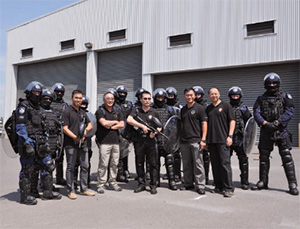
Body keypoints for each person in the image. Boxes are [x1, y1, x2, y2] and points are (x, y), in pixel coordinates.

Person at [251, 73, 298, 195]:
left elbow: (290, 111)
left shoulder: (285, 96)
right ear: (266, 85)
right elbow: (256, 112)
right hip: (266, 130)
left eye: (274, 83)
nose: (272, 85)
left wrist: (278, 122)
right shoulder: (261, 98)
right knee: (263, 157)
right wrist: (265, 123)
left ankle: (292, 184)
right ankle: (263, 181)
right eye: (269, 83)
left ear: (278, 84)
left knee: (287, 157)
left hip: (281, 130)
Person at [62, 89, 95, 199]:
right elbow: (65, 129)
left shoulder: (82, 112)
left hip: (83, 143)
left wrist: (85, 131)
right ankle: (70, 190)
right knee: (71, 167)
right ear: (72, 98)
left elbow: (89, 125)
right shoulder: (67, 111)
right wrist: (75, 138)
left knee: (85, 166)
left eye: (80, 98)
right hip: (71, 144)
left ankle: (84, 189)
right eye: (76, 98)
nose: (78, 100)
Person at [15, 81, 43, 205]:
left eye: (38, 92)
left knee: (36, 167)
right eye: (34, 92)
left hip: (38, 142)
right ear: (29, 93)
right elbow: (20, 126)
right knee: (27, 169)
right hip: (27, 142)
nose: (36, 94)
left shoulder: (38, 107)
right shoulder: (23, 106)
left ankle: (33, 190)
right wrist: (26, 142)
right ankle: (25, 196)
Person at [127, 90, 159, 194]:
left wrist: (154, 133)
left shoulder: (154, 111)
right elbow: (129, 120)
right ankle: (141, 184)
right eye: (145, 98)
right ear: (140, 100)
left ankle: (153, 185)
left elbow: (159, 126)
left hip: (151, 141)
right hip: (139, 140)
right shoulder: (136, 110)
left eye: (149, 98)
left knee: (153, 164)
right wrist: (142, 126)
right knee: (139, 163)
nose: (147, 100)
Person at [206, 87, 236, 198]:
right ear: (209, 96)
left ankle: (228, 188)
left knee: (225, 164)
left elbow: (232, 121)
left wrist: (230, 136)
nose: (214, 95)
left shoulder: (226, 106)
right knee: (215, 165)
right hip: (212, 141)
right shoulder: (208, 108)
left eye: (216, 93)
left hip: (224, 140)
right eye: (212, 94)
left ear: (219, 94)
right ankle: (218, 186)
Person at [95, 90, 124, 194]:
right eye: (108, 99)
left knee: (115, 163)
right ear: (104, 100)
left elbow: (122, 124)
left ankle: (113, 182)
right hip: (104, 142)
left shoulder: (117, 111)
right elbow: (103, 123)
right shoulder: (100, 111)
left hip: (116, 141)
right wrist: (116, 122)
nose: (110, 100)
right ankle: (101, 184)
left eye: (112, 99)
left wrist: (111, 125)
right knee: (103, 164)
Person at [179, 88, 207, 195]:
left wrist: (203, 139)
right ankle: (188, 183)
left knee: (198, 163)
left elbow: (204, 124)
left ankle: (200, 185)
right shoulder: (183, 110)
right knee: (186, 163)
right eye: (187, 95)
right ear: (184, 96)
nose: (189, 97)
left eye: (191, 95)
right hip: (184, 141)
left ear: (194, 96)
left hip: (196, 140)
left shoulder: (200, 108)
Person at [39, 89, 63, 200]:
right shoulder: (37, 111)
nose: (48, 101)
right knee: (44, 166)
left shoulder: (53, 112)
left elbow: (58, 126)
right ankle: (44, 190)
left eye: (49, 99)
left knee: (50, 166)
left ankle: (47, 186)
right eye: (45, 99)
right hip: (42, 142)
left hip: (53, 142)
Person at [152, 88, 177, 190]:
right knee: (155, 161)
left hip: (167, 139)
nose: (160, 99)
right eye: (158, 97)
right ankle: (156, 180)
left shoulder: (170, 109)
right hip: (155, 138)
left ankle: (172, 181)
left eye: (162, 97)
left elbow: (175, 123)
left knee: (170, 161)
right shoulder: (151, 109)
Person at [228, 86, 252, 190]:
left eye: (237, 95)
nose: (235, 97)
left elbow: (250, 123)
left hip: (240, 138)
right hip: (228, 137)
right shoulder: (226, 107)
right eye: (233, 95)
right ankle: (226, 181)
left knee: (243, 160)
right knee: (225, 160)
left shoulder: (244, 108)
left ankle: (244, 181)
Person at [74, 96, 94, 189]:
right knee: (75, 163)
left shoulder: (90, 115)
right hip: (75, 140)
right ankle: (74, 181)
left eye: (85, 104)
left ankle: (86, 181)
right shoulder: (74, 113)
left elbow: (93, 127)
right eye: (82, 104)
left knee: (86, 163)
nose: (83, 106)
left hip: (87, 141)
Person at [51, 83, 68, 186]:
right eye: (57, 91)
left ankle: (59, 177)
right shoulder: (47, 102)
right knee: (47, 156)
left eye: (61, 92)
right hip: (49, 133)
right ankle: (45, 180)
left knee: (60, 156)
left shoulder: (65, 105)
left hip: (61, 133)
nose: (59, 93)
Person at [116, 85, 134, 182]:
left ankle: (125, 170)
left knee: (125, 153)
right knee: (117, 155)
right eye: (120, 93)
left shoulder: (130, 104)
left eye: (124, 93)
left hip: (126, 132)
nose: (122, 95)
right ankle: (118, 173)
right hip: (115, 132)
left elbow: (133, 117)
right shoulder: (113, 104)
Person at [193, 86, 211, 185]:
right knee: (195, 158)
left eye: (198, 95)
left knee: (205, 158)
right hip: (194, 134)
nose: (197, 96)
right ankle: (194, 178)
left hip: (204, 134)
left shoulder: (206, 106)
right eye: (195, 95)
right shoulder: (190, 105)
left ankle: (206, 177)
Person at [166, 86, 182, 182]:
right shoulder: (164, 107)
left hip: (176, 134)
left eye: (172, 95)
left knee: (176, 155)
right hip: (166, 133)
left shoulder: (179, 107)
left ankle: (177, 174)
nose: (170, 97)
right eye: (169, 95)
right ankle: (169, 173)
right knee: (168, 155)